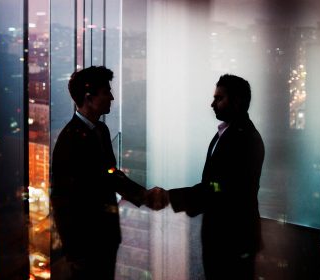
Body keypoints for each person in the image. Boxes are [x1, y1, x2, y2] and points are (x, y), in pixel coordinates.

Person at [50, 66, 166, 279]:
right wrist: (74, 252)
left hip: (105, 236)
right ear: (89, 98)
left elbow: (110, 174)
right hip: (85, 246)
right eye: (106, 92)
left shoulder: (100, 131)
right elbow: (61, 201)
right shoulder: (69, 141)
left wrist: (142, 195)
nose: (112, 97)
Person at [165, 74, 265, 279]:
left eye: (219, 98)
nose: (212, 104)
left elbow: (219, 187)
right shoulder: (228, 134)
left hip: (232, 241)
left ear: (236, 101)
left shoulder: (244, 139)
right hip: (225, 239)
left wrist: (169, 197)